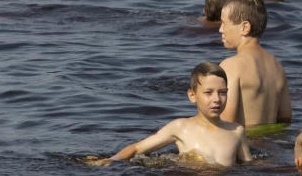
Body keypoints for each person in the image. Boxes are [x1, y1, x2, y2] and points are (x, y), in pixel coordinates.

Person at [87, 62, 252, 167]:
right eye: (208, 93)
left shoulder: (236, 131)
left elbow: (249, 166)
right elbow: (137, 148)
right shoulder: (181, 128)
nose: (216, 99)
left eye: (222, 93)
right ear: (192, 95)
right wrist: (112, 160)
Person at [218, 0, 291, 127]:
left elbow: (225, 123)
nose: (220, 29)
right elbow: (285, 118)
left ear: (245, 28)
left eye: (224, 23)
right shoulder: (277, 65)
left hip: (245, 144)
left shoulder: (231, 66)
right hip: (271, 144)